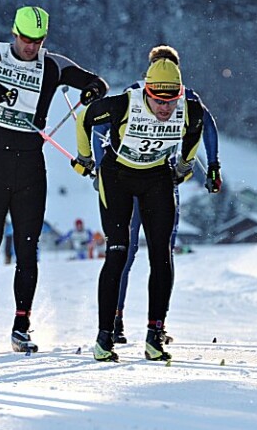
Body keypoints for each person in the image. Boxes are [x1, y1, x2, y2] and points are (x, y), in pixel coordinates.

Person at [0, 6, 108, 354]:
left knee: (27, 251)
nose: (30, 47)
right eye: (25, 39)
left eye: (37, 41)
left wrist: (92, 92)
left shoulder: (53, 65)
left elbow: (97, 82)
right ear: (14, 33)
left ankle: (21, 328)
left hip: (30, 169)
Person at [72, 58, 205, 362]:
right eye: (158, 100)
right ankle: (104, 337)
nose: (164, 108)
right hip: (117, 176)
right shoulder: (123, 104)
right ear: (147, 91)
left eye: (170, 101)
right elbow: (84, 118)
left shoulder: (189, 110)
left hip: (156, 177)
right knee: (118, 252)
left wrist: (184, 166)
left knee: (161, 255)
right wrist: (85, 158)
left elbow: (195, 132)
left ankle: (155, 335)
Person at [91, 45, 222, 345]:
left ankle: (120, 320)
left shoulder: (148, 92)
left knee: (133, 253)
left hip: (147, 179)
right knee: (156, 254)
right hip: (153, 179)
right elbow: (208, 128)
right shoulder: (175, 95)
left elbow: (102, 131)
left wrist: (98, 167)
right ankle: (147, 324)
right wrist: (212, 166)